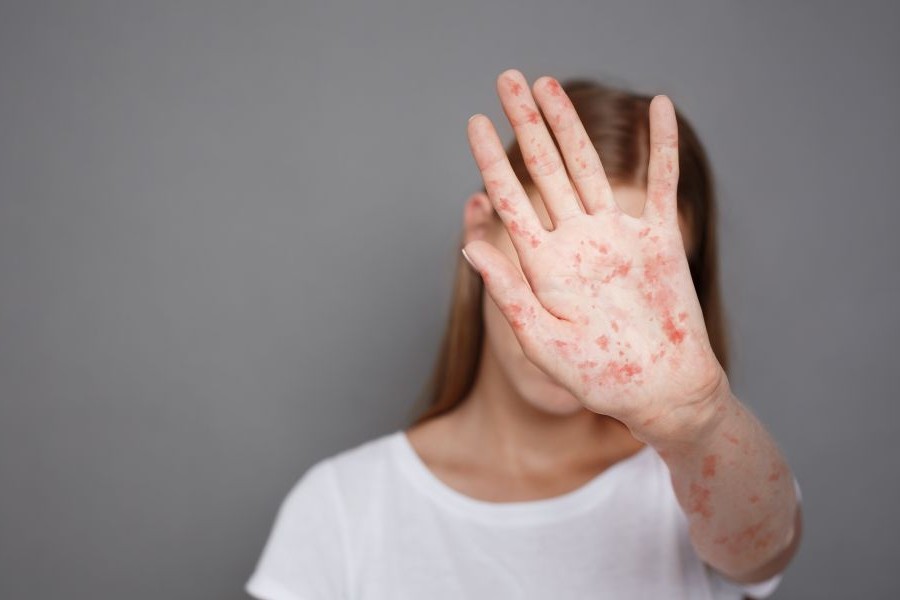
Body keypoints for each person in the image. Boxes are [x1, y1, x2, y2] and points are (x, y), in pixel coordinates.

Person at [244, 68, 803, 599]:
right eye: (553, 249)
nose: (585, 317)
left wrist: (700, 416)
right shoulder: (342, 507)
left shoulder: (709, 477)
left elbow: (763, 548)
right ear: (479, 225)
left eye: (637, 279)